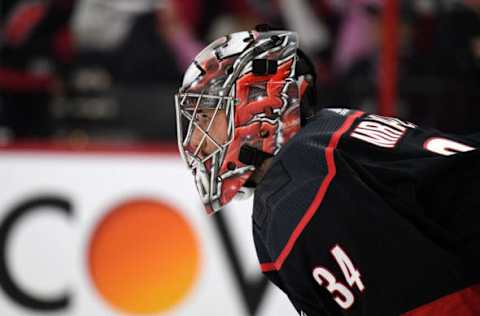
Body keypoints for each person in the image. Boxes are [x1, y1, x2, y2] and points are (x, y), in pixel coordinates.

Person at [174, 25, 480, 315]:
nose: (197, 139)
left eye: (206, 117)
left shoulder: (297, 190)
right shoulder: (327, 134)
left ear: (258, 105)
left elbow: (435, 303)